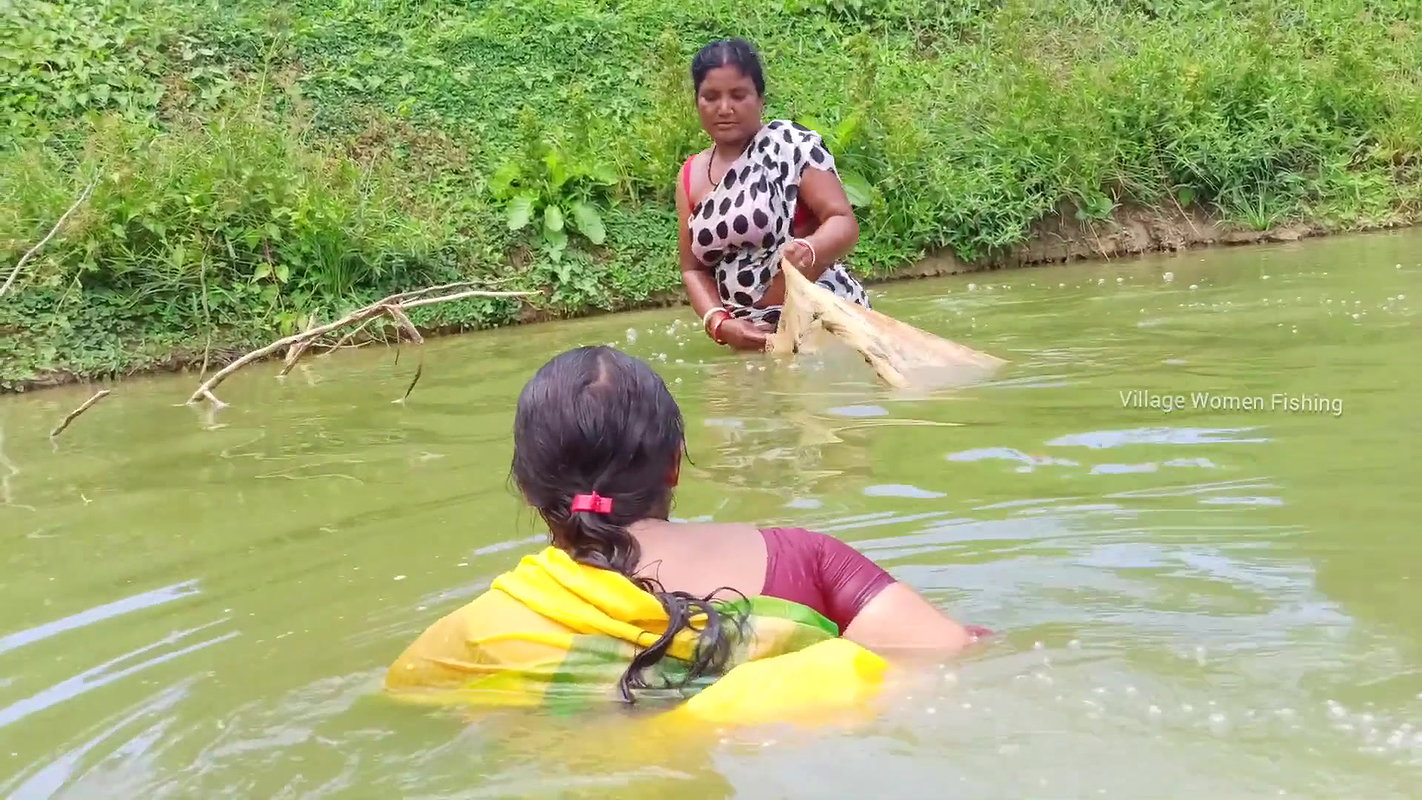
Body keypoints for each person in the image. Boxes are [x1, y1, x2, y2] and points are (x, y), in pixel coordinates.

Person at [385, 346, 988, 719]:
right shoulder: (805, 559)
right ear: (675, 464)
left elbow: (411, 704)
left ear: (527, 489)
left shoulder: (478, 634)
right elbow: (955, 658)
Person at [677, 38, 873, 353]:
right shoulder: (690, 175)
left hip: (824, 322)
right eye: (710, 97)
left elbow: (842, 221)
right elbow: (693, 269)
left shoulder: (791, 145)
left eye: (738, 95)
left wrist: (809, 249)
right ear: (697, 102)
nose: (724, 108)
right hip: (752, 339)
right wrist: (720, 324)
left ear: (760, 99)